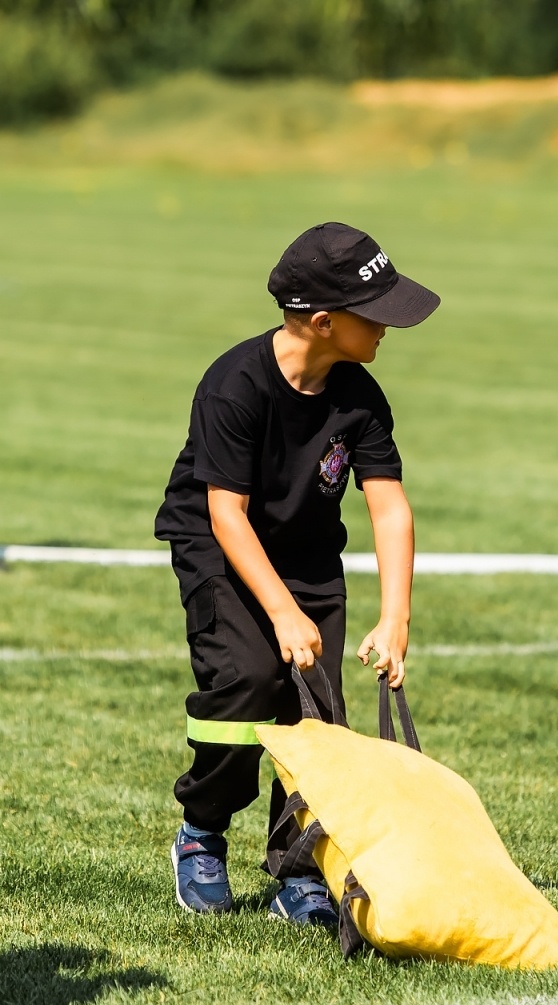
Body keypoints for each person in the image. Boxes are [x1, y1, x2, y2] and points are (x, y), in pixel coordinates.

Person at [154, 222, 438, 924]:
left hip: (308, 553)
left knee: (318, 715)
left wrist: (396, 616)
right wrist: (282, 612)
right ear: (322, 321)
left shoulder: (359, 398)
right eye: (376, 316)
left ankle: (299, 868)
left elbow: (390, 508)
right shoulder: (235, 386)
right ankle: (201, 834)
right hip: (221, 547)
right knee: (245, 686)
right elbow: (226, 513)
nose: (387, 329)